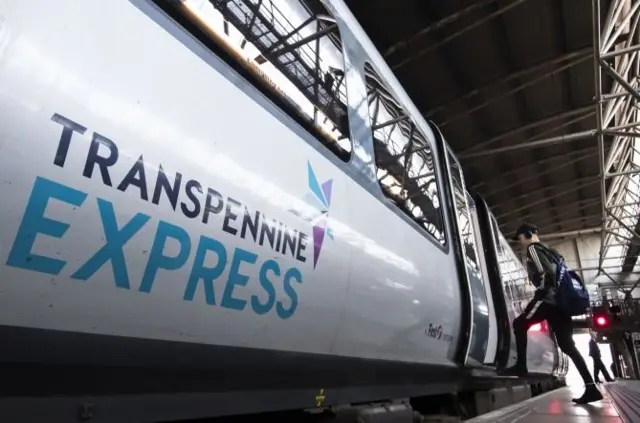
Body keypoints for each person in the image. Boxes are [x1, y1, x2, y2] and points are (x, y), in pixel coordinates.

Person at [501, 222, 603, 404]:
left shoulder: (533, 249)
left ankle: (521, 366)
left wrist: (538, 295)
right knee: (567, 346)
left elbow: (547, 275)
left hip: (549, 301)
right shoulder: (551, 251)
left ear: (529, 235)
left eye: (521, 238)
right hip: (561, 304)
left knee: (519, 324)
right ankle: (591, 387)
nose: (520, 243)